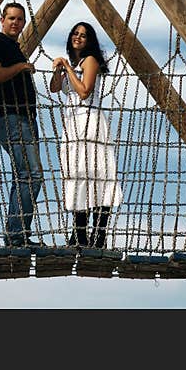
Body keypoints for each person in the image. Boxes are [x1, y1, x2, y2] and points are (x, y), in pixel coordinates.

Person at [50, 22, 121, 248]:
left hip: (90, 123)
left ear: (90, 41)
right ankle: (79, 233)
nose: (78, 37)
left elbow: (83, 91)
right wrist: (60, 68)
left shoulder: (90, 61)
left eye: (83, 35)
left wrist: (69, 69)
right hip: (73, 125)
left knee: (98, 175)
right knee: (77, 174)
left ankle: (98, 236)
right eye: (75, 33)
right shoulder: (76, 63)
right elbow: (54, 88)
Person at [0, 2, 44, 247]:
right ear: (2, 19)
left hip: (24, 118)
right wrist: (21, 67)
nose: (15, 23)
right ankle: (16, 235)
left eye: (19, 19)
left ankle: (16, 233)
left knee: (25, 175)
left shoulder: (14, 47)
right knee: (31, 175)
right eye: (11, 18)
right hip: (11, 117)